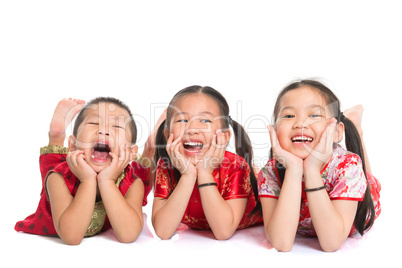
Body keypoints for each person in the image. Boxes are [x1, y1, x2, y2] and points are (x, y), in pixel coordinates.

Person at [258, 80, 381, 252]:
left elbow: (331, 243)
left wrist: (312, 170)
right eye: (288, 116)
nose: (300, 124)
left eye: (314, 115)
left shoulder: (347, 166)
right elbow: (281, 243)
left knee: (368, 178)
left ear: (337, 132)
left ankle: (356, 131)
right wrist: (294, 169)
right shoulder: (269, 172)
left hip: (359, 200)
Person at [15, 97, 152, 244]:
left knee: (145, 173)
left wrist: (107, 181)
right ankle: (56, 136)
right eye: (93, 123)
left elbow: (128, 235)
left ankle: (150, 149)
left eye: (117, 127)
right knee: (53, 166)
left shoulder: (132, 183)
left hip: (122, 173)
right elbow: (71, 237)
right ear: (73, 145)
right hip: (56, 201)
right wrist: (87, 181)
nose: (103, 130)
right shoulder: (59, 178)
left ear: (131, 152)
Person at [152, 85, 262, 240]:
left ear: (224, 136)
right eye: (182, 120)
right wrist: (187, 176)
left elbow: (223, 232)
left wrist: (204, 173)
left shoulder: (236, 166)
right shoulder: (166, 165)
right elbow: (163, 232)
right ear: (166, 133)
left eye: (205, 120)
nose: (192, 129)